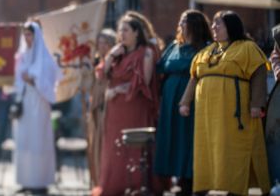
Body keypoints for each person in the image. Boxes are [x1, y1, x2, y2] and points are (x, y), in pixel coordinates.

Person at [179, 10, 271, 195]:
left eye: (218, 23)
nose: (213, 27)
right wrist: (185, 102)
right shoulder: (205, 52)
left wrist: (256, 104)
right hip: (207, 113)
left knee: (234, 148)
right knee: (208, 148)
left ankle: (235, 188)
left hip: (233, 110)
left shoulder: (247, 48)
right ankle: (204, 185)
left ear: (231, 26)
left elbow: (259, 74)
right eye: (213, 23)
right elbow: (194, 78)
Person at [96, 11, 161, 195]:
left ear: (136, 33)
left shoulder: (146, 53)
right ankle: (114, 185)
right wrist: (110, 55)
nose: (121, 34)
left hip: (135, 107)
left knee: (134, 147)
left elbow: (144, 82)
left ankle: (137, 185)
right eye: (120, 30)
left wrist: (117, 90)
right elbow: (101, 74)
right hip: (115, 109)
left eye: (125, 30)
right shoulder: (117, 53)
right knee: (113, 146)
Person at [153, 10, 211, 195]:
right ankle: (178, 177)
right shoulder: (173, 46)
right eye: (180, 21)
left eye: (184, 21)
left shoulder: (204, 47)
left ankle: (192, 179)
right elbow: (160, 67)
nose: (180, 24)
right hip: (170, 100)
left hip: (191, 99)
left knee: (188, 138)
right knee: (174, 137)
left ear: (195, 24)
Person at [12, 22, 60, 194]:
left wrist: (33, 80)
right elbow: (16, 80)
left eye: (30, 34)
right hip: (25, 102)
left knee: (38, 141)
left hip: (39, 103)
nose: (27, 38)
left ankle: (40, 181)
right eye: (25, 34)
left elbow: (51, 82)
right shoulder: (22, 56)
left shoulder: (45, 58)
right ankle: (25, 180)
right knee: (24, 141)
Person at [87, 28, 115, 187]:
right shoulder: (97, 61)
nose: (101, 46)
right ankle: (97, 180)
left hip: (107, 105)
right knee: (95, 143)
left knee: (104, 143)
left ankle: (105, 180)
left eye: (105, 43)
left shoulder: (114, 61)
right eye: (99, 43)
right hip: (95, 105)